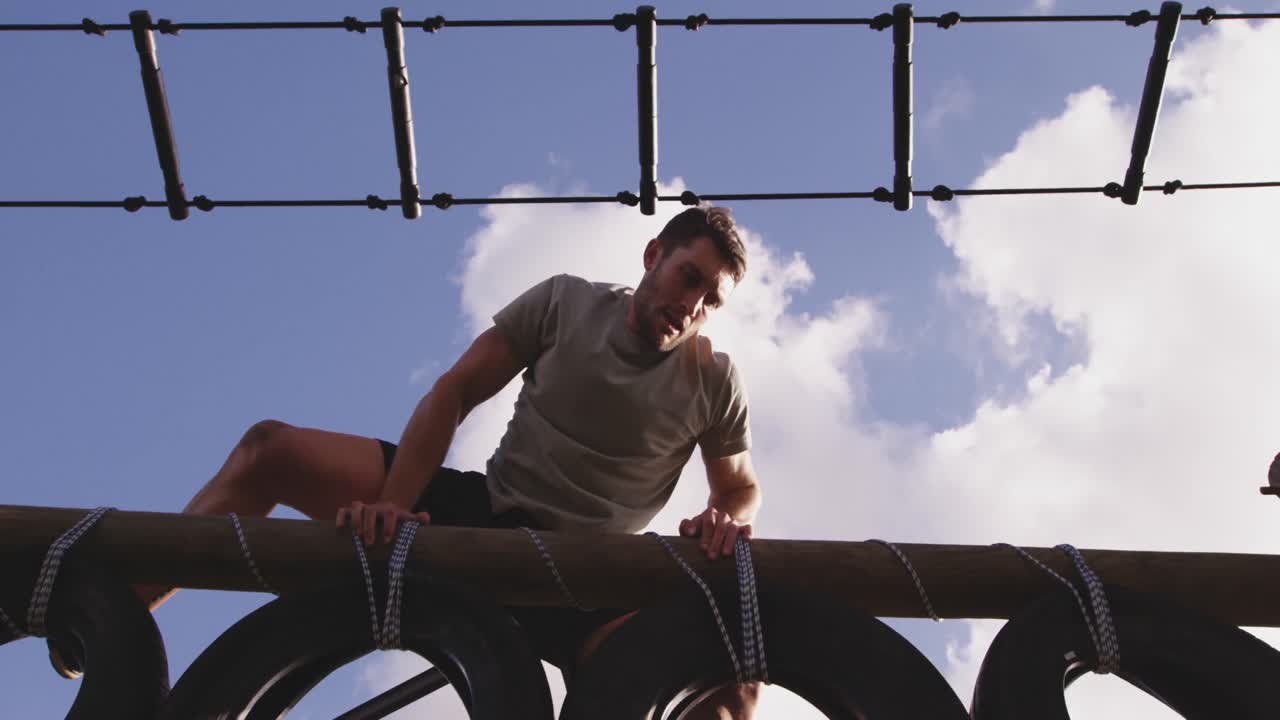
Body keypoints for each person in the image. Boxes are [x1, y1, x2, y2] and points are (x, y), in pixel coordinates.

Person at [137, 205, 762, 718]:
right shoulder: (566, 303)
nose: (693, 304)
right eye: (689, 277)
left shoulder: (713, 380)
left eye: (711, 299)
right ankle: (113, 627)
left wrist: (723, 518)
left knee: (728, 692)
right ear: (654, 255)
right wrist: (395, 504)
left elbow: (737, 489)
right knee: (267, 449)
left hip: (587, 573)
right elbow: (455, 391)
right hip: (482, 514)